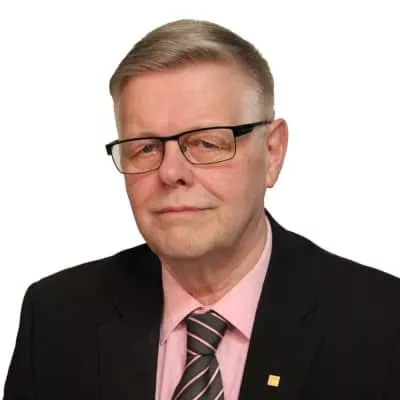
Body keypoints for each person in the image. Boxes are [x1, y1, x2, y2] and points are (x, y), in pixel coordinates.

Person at [3, 18, 400, 400]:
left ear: (272, 152)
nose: (171, 172)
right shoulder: (56, 318)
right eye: (145, 147)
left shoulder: (382, 324)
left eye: (206, 143)